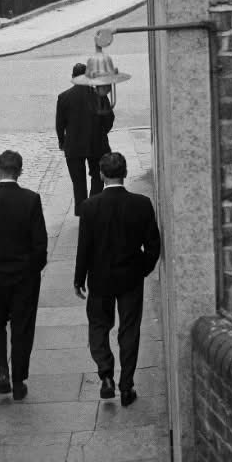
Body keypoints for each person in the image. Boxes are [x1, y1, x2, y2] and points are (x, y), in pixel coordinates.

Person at [74, 151, 161, 407]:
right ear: (125, 173)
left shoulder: (89, 207)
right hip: (130, 278)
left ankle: (106, 375)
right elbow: (153, 246)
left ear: (101, 175)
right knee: (129, 330)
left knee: (98, 327)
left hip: (100, 278)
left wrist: (79, 278)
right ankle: (127, 385)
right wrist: (141, 269)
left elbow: (84, 248)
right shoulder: (141, 204)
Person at [0, 149, 48, 401]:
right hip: (24, 275)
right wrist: (34, 270)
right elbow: (40, 243)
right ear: (20, 171)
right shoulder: (31, 199)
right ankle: (18, 379)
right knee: (22, 327)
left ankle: (2, 369)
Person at [56, 63, 114, 216]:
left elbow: (60, 124)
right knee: (97, 177)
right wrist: (101, 133)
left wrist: (62, 141)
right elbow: (109, 119)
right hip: (97, 144)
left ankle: (82, 212)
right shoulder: (100, 96)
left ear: (73, 77)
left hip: (73, 146)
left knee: (78, 181)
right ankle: (93, 208)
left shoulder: (64, 97)